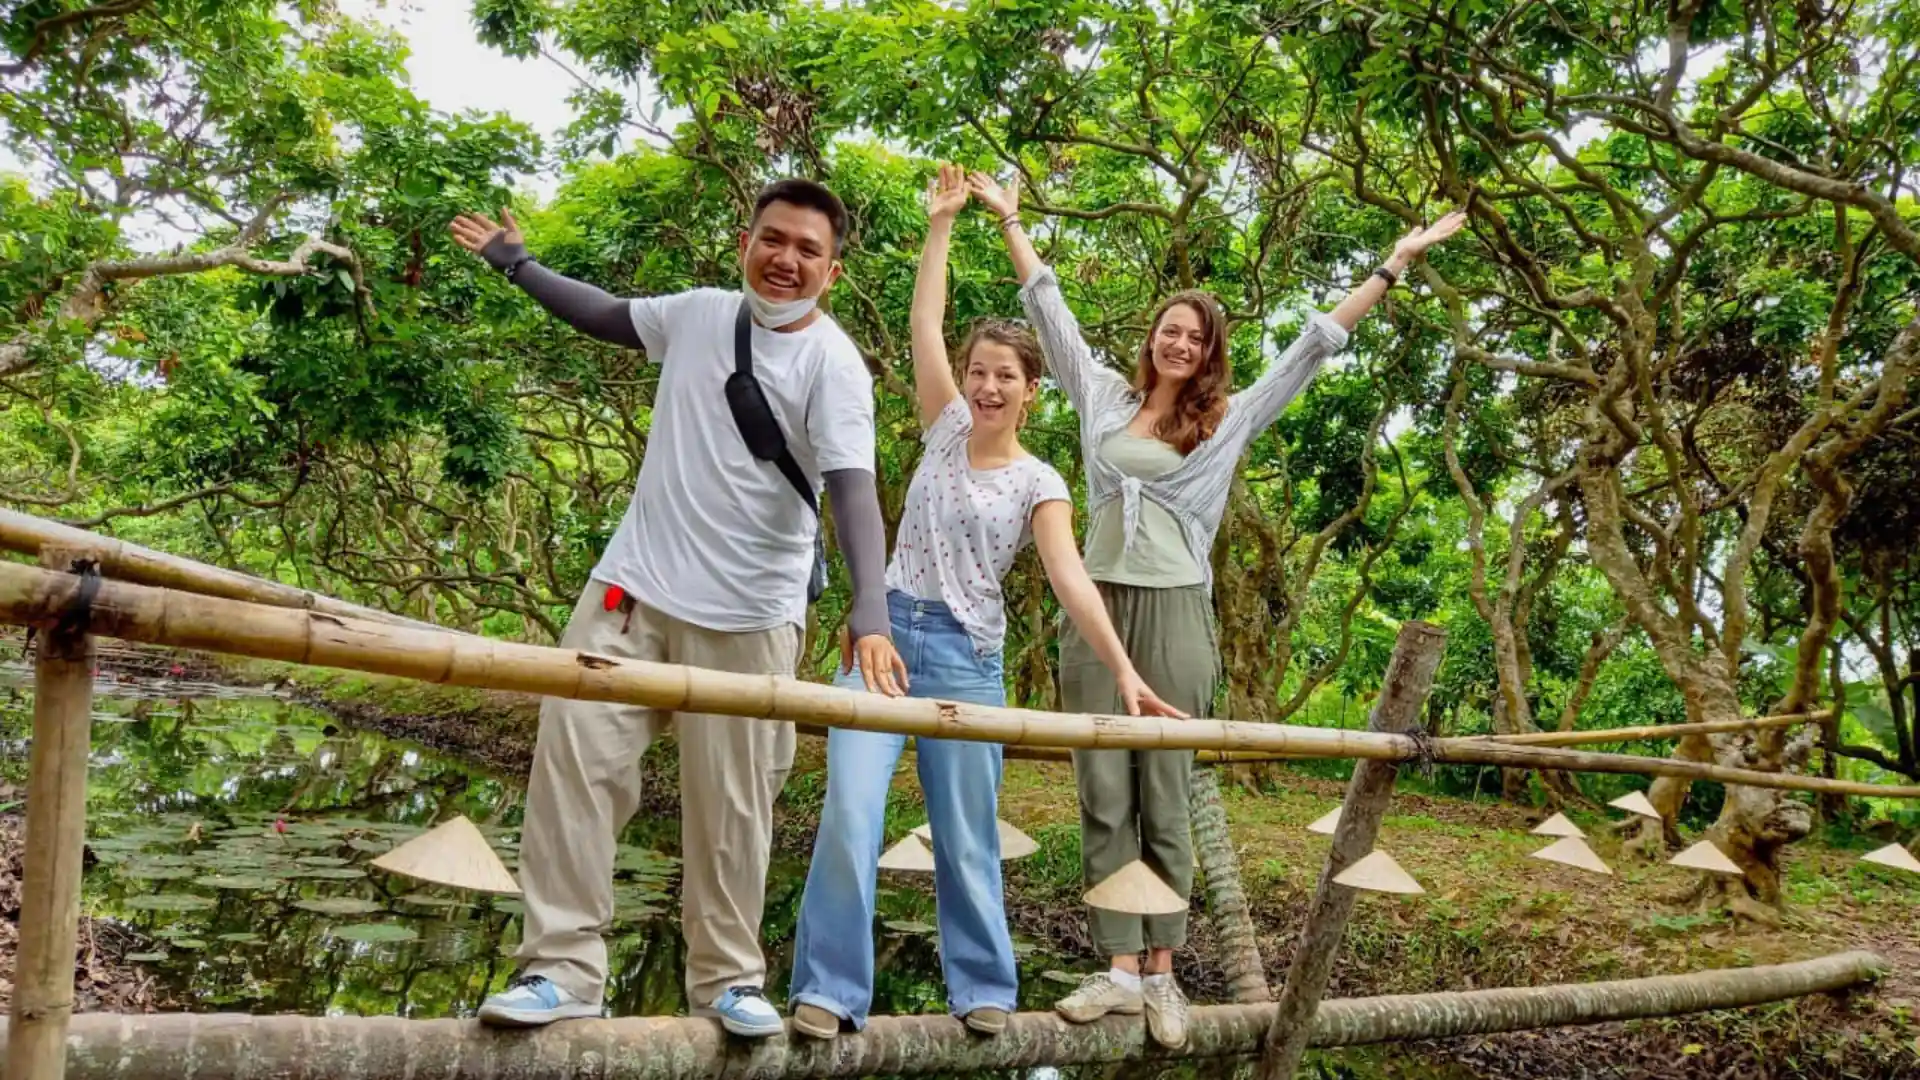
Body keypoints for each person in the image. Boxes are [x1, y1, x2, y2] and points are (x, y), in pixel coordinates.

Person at [973, 171, 1467, 1049]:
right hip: (1095, 609)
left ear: (1209, 354)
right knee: (1101, 789)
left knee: (1164, 790)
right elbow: (1050, 311)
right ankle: (1118, 968)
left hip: (1176, 613)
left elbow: (1313, 347)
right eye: (1170, 329)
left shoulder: (1227, 419)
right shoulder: (1104, 397)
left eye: (1195, 337)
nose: (1179, 343)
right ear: (1152, 337)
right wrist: (1013, 221)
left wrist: (1393, 263)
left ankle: (1163, 973)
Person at [448, 179, 910, 1037]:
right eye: (773, 239)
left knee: (734, 808)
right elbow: (605, 314)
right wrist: (518, 265)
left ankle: (728, 982)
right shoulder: (698, 315)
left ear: (832, 272)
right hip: (631, 592)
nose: (786, 260)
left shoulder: (834, 364)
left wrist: (871, 613)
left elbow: (853, 491)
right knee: (574, 771)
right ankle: (560, 969)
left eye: (808, 250)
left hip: (749, 616)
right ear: (746, 243)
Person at [785, 165, 1186, 1041]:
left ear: (1032, 391)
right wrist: (941, 225)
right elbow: (924, 324)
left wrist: (1125, 671)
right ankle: (830, 989)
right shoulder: (944, 430)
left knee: (967, 837)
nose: (987, 387)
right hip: (886, 642)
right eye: (978, 372)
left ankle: (981, 988)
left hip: (968, 660)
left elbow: (1072, 579)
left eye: (1005, 376)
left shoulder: (1041, 480)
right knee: (848, 816)